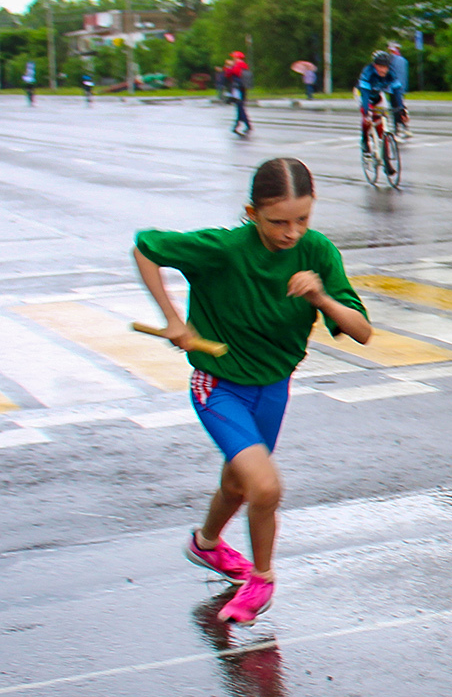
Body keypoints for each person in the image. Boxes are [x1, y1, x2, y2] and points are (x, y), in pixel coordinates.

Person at [134, 157, 373, 623]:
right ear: (251, 212)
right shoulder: (224, 249)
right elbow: (146, 247)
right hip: (218, 386)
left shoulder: (318, 252)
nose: (291, 233)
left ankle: (205, 545)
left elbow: (362, 332)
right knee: (264, 486)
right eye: (277, 222)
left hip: (273, 388)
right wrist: (173, 320)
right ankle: (261, 578)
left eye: (301, 220)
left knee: (237, 484)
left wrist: (322, 298)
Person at [356, 51, 405, 154]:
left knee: (381, 122)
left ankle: (385, 154)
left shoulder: (391, 73)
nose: (383, 70)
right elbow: (365, 95)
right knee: (367, 118)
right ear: (375, 66)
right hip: (364, 94)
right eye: (380, 67)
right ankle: (364, 139)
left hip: (378, 94)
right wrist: (366, 111)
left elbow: (397, 92)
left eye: (385, 67)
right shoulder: (368, 73)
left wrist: (401, 109)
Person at [385, 43, 411, 137]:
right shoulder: (403, 61)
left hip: (392, 88)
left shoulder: (391, 60)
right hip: (401, 87)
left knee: (395, 108)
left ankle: (398, 128)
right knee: (401, 106)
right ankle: (404, 126)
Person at [227, 52, 253, 136]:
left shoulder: (239, 65)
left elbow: (229, 74)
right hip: (240, 88)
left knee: (240, 106)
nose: (232, 59)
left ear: (237, 57)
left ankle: (245, 124)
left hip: (238, 88)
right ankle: (239, 124)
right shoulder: (243, 65)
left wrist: (230, 66)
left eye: (233, 57)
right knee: (239, 106)